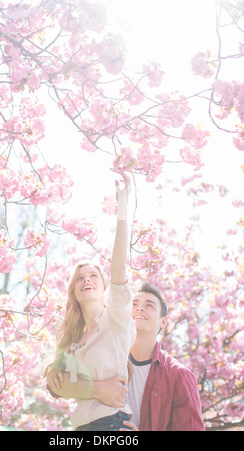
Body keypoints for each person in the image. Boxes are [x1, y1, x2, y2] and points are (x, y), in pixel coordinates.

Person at [47, 281, 205, 431]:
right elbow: (55, 388)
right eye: (134, 304)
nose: (139, 309)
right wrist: (94, 387)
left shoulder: (178, 376)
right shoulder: (103, 354)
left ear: (162, 322)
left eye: (149, 305)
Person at [45, 172, 136, 431]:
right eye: (79, 278)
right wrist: (98, 389)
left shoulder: (116, 318)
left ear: (105, 286)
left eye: (94, 276)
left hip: (110, 424)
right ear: (73, 291)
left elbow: (118, 267)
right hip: (82, 427)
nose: (86, 280)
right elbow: (58, 386)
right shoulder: (73, 341)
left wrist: (122, 209)